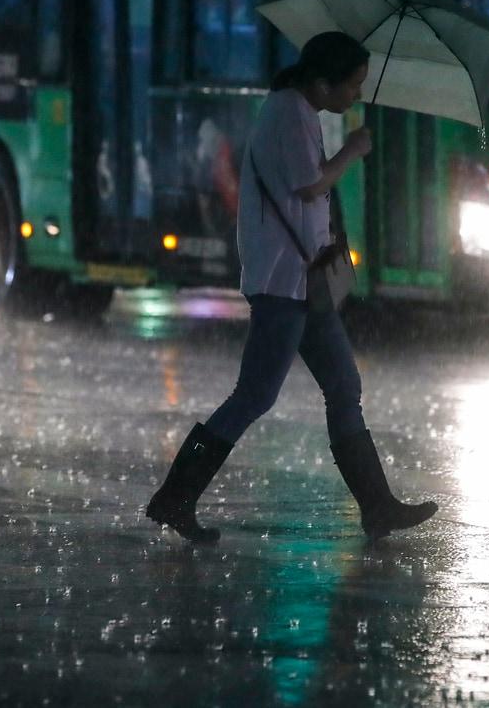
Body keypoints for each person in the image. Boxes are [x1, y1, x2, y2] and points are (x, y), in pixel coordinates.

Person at [145, 31, 438, 544]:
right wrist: (353, 149)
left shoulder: (300, 110)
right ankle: (175, 497)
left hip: (307, 280)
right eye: (351, 85)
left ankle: (378, 507)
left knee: (343, 386)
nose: (355, 95)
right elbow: (309, 183)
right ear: (321, 81)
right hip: (283, 280)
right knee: (254, 395)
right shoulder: (287, 112)